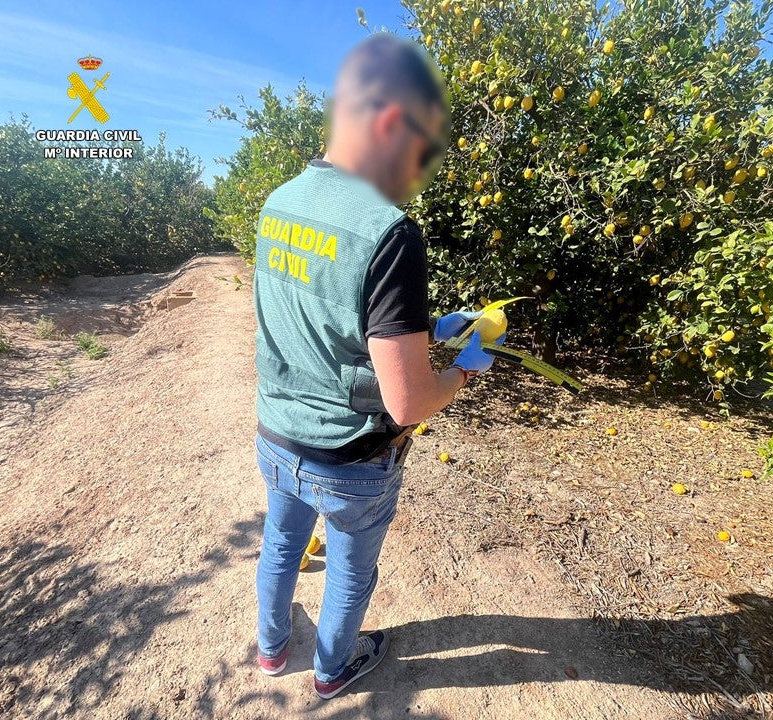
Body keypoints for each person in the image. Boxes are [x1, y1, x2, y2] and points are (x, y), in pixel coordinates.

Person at [251, 33, 504, 700]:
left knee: (280, 542)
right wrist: (465, 370)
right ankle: (333, 669)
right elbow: (409, 406)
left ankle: (272, 650)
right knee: (348, 571)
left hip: (275, 435)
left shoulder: (278, 202)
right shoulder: (390, 232)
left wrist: (425, 328)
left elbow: (318, 316)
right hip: (348, 460)